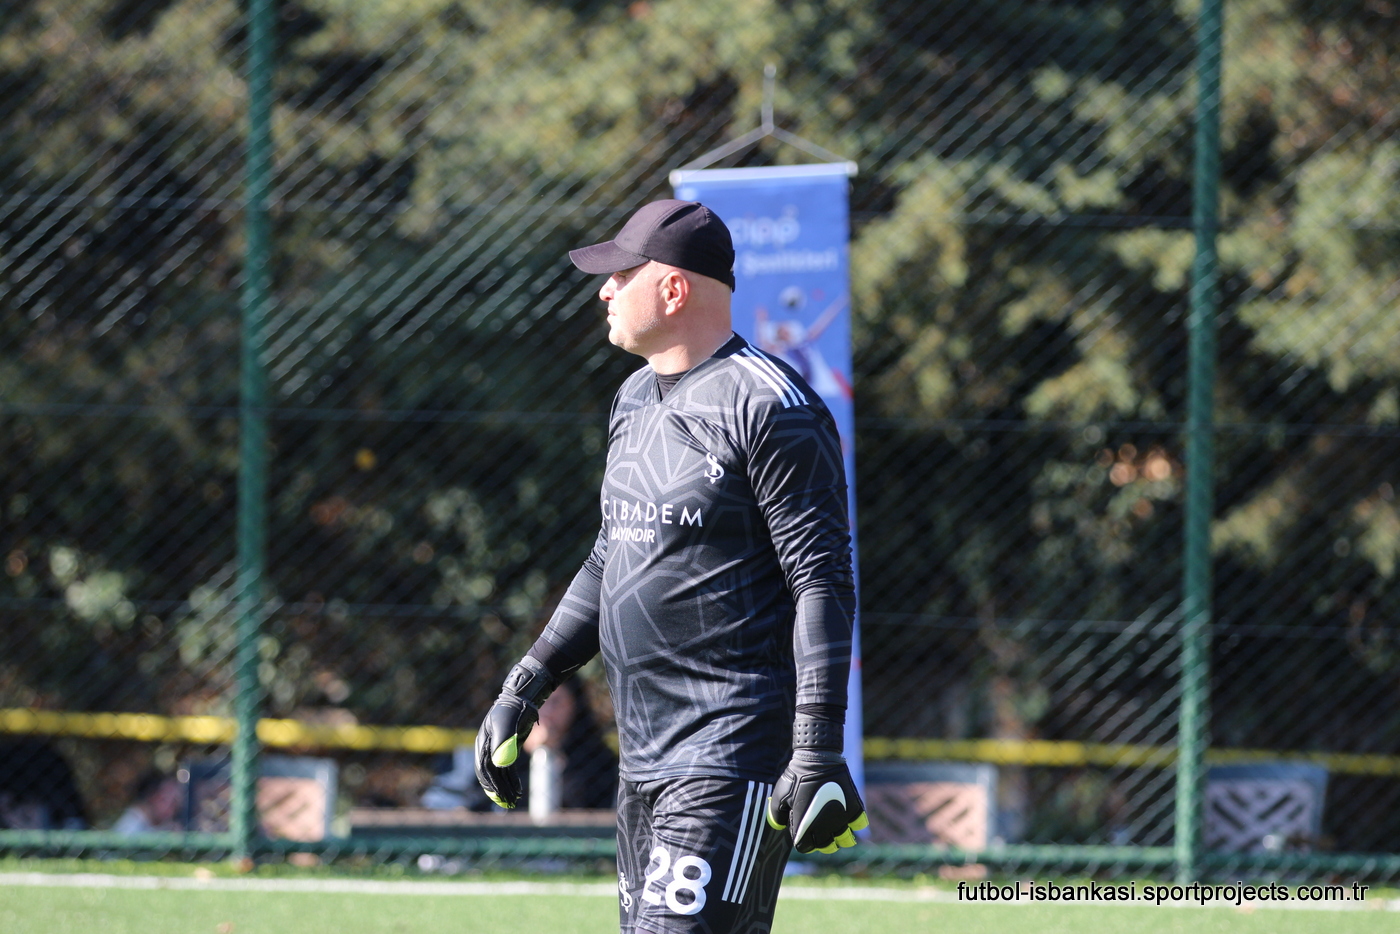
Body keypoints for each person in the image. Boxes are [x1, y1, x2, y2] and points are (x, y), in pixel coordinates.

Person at [475, 200, 866, 934]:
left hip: (731, 752)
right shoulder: (632, 399)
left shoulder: (771, 406)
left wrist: (816, 747)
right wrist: (526, 685)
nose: (604, 290)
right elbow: (610, 556)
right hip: (642, 758)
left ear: (675, 288)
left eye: (622, 274)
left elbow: (822, 581)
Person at [112, 769, 183, 834]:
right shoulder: (131, 823)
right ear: (153, 796)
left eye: (174, 803)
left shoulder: (166, 826)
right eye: (164, 800)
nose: (170, 809)